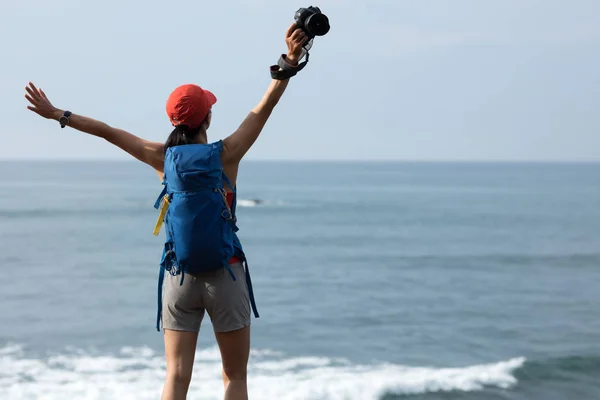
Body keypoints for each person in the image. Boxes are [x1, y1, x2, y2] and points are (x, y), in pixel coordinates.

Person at [24, 22, 309, 400]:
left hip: (179, 276)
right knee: (235, 377)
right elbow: (264, 107)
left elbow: (107, 131)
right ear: (207, 119)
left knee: (176, 377)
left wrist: (58, 113)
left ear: (173, 121)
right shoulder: (228, 154)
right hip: (226, 273)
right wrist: (289, 60)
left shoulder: (161, 157)